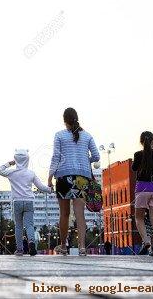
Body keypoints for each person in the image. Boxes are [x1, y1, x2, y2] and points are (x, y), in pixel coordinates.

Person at [47, 108, 100, 256]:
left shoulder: (59, 136)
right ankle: (82, 247)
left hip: (63, 177)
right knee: (80, 214)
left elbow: (55, 157)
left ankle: (63, 246)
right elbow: (96, 156)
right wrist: (84, 159)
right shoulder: (87, 136)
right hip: (82, 177)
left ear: (64, 120)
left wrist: (50, 177)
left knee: (64, 213)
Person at [0, 149, 52, 256]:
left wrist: (10, 163)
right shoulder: (31, 173)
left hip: (17, 202)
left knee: (18, 226)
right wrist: (50, 189)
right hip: (29, 201)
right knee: (29, 225)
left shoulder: (11, 172)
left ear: (16, 159)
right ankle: (31, 242)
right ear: (27, 160)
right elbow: (40, 186)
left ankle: (20, 249)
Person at [132, 131, 153, 257]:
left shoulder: (138, 154)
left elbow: (134, 168)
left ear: (141, 142)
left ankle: (146, 241)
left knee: (139, 218)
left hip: (142, 189)